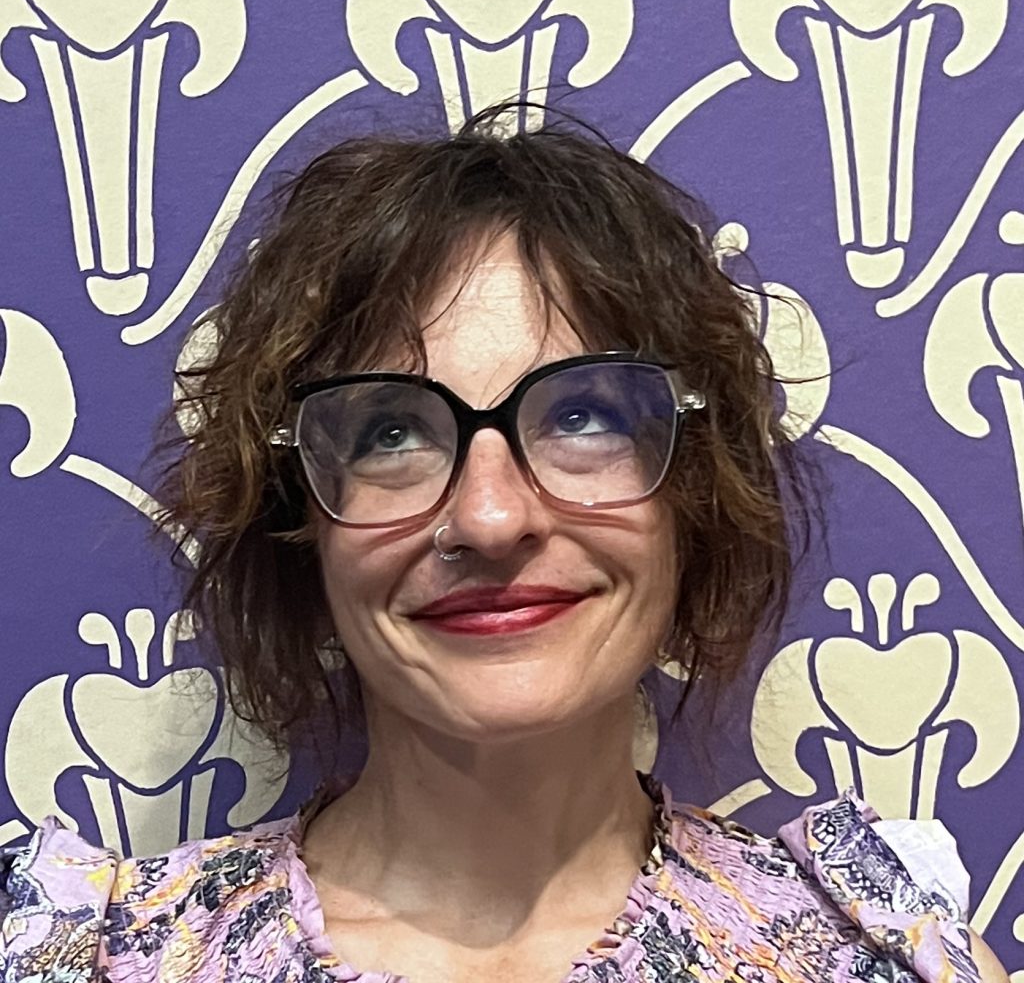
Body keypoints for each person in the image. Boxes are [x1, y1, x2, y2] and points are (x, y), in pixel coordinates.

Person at [0, 105, 1008, 983]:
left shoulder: (878, 938)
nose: (489, 518)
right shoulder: (91, 950)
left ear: (690, 494)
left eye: (582, 417)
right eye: (390, 430)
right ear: (299, 520)